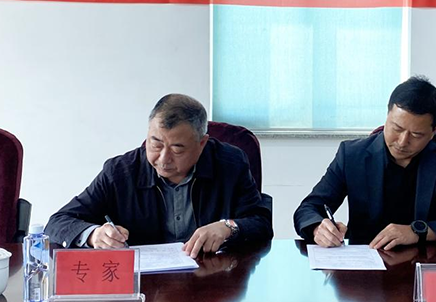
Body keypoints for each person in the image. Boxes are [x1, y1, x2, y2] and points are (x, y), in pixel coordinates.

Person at [46, 94, 272, 257]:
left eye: (177, 149)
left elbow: (261, 222)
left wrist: (228, 227)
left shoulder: (230, 164)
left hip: (213, 282)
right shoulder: (121, 172)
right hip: (146, 287)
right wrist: (94, 234)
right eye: (155, 144)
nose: (164, 159)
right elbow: (58, 222)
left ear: (202, 143)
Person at [293, 76, 436, 249]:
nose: (402, 141)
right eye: (396, 128)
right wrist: (318, 228)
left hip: (429, 264)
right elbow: (308, 209)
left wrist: (418, 232)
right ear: (387, 116)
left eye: (416, 134)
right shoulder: (353, 155)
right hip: (367, 266)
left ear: (434, 131)